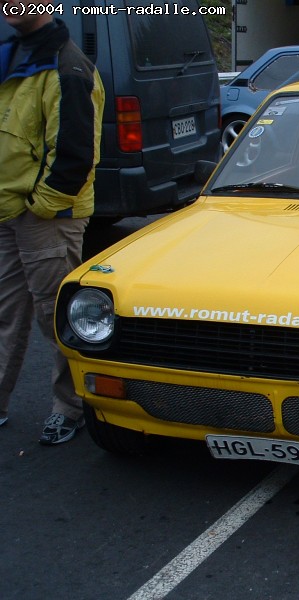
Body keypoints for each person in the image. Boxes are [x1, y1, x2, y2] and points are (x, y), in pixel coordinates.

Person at [0, 0, 104, 442]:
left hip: (45, 215)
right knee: (7, 314)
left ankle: (72, 406)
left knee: (56, 317)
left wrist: (39, 208)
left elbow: (76, 156)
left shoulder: (68, 66)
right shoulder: (14, 54)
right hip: (11, 210)